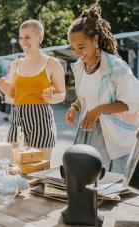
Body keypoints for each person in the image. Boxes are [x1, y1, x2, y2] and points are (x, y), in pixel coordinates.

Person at [65, 3, 139, 174]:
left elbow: (133, 102)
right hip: (87, 131)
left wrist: (99, 110)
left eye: (81, 47)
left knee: (107, 183)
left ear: (95, 40)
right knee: (84, 179)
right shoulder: (79, 66)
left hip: (112, 136)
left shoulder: (116, 67)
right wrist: (75, 107)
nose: (77, 52)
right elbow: (86, 95)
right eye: (72, 48)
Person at [0, 19, 66, 161]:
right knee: (16, 167)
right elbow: (12, 96)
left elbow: (62, 94)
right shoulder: (15, 64)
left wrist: (51, 98)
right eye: (21, 38)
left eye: (27, 37)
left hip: (42, 120)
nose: (23, 42)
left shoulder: (52, 63)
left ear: (40, 38)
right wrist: (5, 90)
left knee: (39, 170)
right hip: (18, 118)